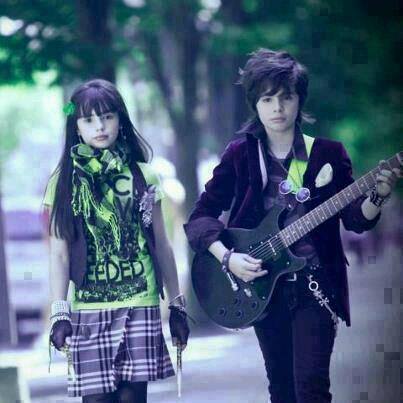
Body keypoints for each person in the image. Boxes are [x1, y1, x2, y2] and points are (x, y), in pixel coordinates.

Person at [183, 49, 401, 402]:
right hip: (262, 288)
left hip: (316, 285)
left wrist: (377, 196)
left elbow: (355, 220)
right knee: (282, 389)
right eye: (267, 99)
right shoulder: (240, 154)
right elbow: (201, 217)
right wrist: (227, 258)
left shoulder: (328, 154)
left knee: (312, 387)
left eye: (286, 97)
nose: (278, 108)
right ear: (255, 104)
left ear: (300, 99)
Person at [43, 79, 189, 403]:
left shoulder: (144, 175)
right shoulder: (63, 182)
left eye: (107, 116)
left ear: (120, 119)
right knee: (97, 400)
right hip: (89, 309)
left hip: (140, 301)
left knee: (131, 399)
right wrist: (59, 314)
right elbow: (59, 253)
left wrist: (177, 306)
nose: (100, 126)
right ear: (76, 127)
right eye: (88, 119)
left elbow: (161, 244)